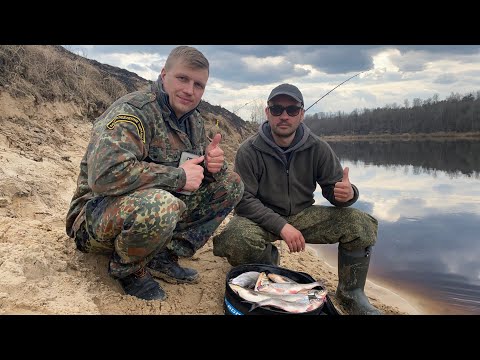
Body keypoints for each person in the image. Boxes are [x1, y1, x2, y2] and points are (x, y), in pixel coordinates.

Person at [65, 46, 244, 301]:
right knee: (162, 204)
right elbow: (103, 177)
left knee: (231, 184)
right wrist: (177, 177)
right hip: (94, 218)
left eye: (198, 85)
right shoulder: (132, 112)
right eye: (182, 78)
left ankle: (161, 255)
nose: (189, 90)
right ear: (163, 74)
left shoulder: (193, 120)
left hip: (150, 210)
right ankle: (128, 269)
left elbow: (193, 169)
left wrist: (213, 166)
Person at [212, 83, 381, 315]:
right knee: (236, 238)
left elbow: (334, 190)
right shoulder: (248, 150)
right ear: (267, 113)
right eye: (277, 109)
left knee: (361, 224)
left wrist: (348, 194)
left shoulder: (318, 148)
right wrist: (282, 227)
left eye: (292, 110)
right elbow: (243, 200)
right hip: (261, 218)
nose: (284, 115)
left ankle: (351, 293)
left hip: (303, 214)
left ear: (301, 114)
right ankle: (267, 260)